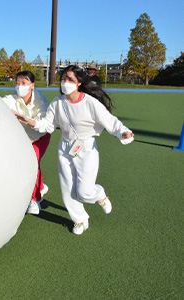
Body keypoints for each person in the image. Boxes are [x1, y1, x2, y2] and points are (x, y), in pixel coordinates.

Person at [13, 65, 134, 235]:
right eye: (63, 79)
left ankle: (99, 194)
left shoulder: (89, 102)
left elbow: (109, 120)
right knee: (67, 187)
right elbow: (47, 125)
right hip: (65, 148)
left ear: (79, 83)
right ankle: (80, 220)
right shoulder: (57, 102)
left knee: (84, 191)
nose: (65, 83)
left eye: (70, 79)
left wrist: (123, 132)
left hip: (86, 148)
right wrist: (30, 121)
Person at [2, 71, 51, 215]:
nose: (20, 86)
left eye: (24, 83)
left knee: (31, 162)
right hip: (23, 138)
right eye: (17, 83)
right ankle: (40, 186)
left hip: (40, 136)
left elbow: (44, 124)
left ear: (32, 85)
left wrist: (29, 121)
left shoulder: (41, 100)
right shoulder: (13, 98)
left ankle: (35, 200)